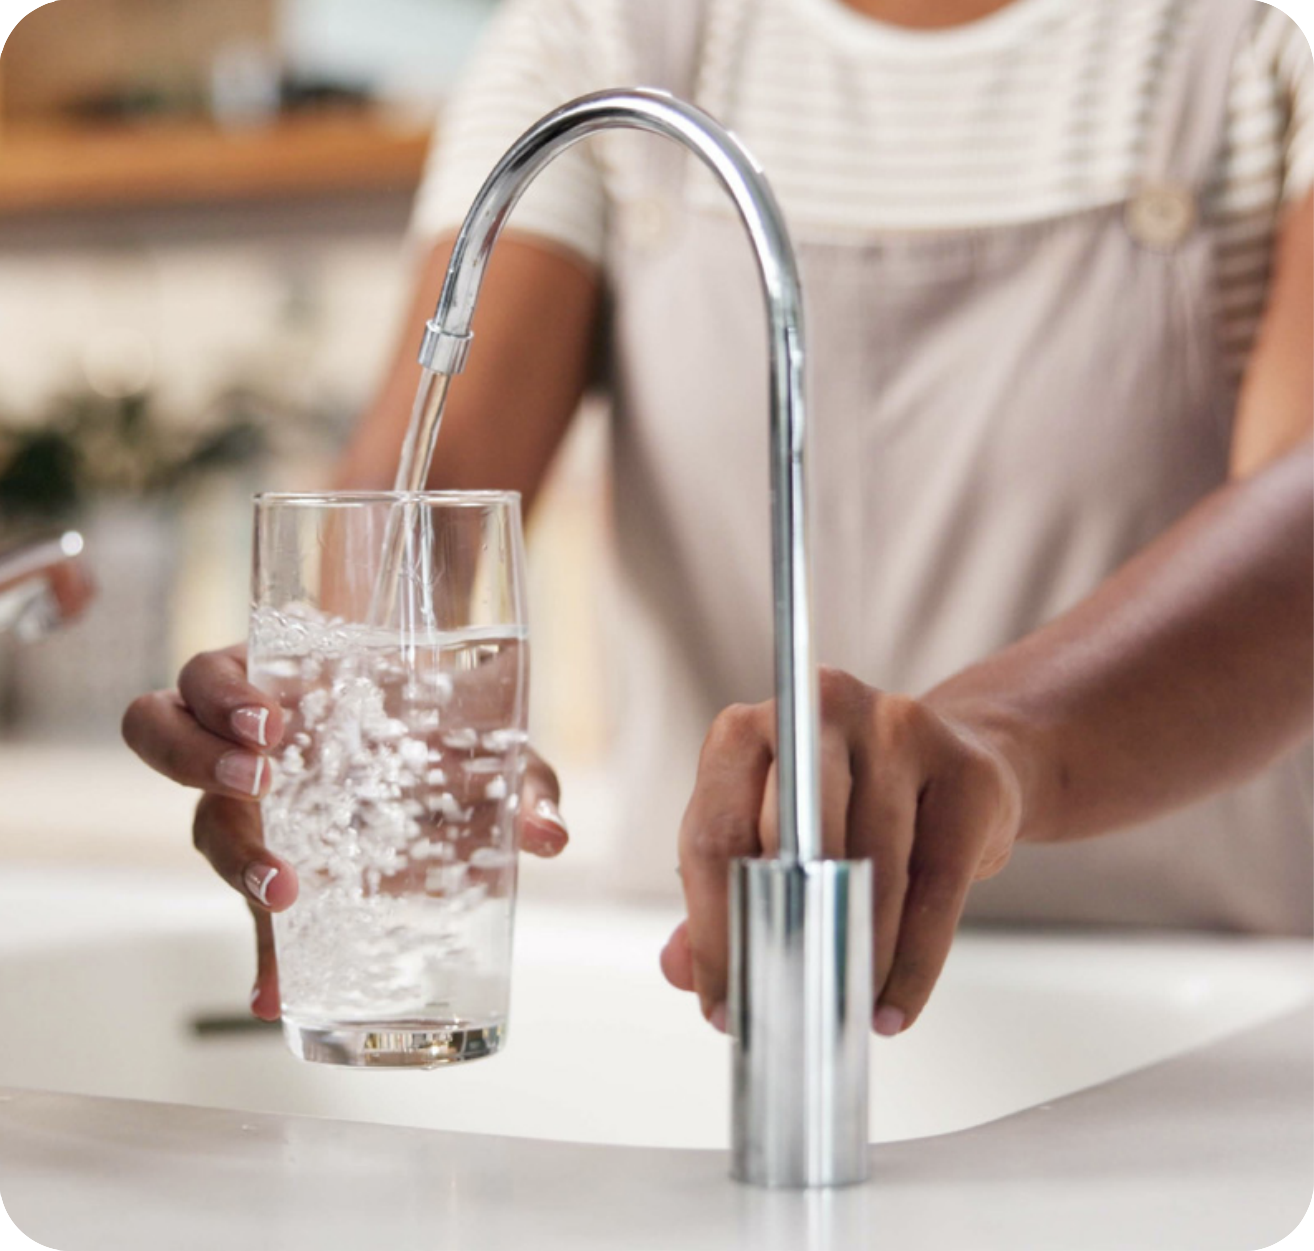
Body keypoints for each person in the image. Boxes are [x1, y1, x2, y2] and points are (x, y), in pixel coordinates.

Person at [124, 0, 1313, 1034]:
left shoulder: (1266, 38)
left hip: (1192, 1009)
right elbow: (407, 520)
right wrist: (322, 711)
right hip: (701, 997)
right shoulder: (600, 33)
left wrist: (986, 756)